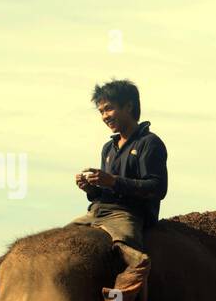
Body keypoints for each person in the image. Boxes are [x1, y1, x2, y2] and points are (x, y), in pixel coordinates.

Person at [69, 79, 167, 255]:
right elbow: (105, 192)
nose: (105, 116)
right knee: (64, 240)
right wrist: (91, 189)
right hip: (99, 212)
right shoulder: (108, 148)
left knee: (127, 255)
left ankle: (134, 279)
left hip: (129, 215)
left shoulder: (150, 143)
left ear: (128, 107)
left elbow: (158, 188)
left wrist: (113, 181)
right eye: (101, 112)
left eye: (108, 108)